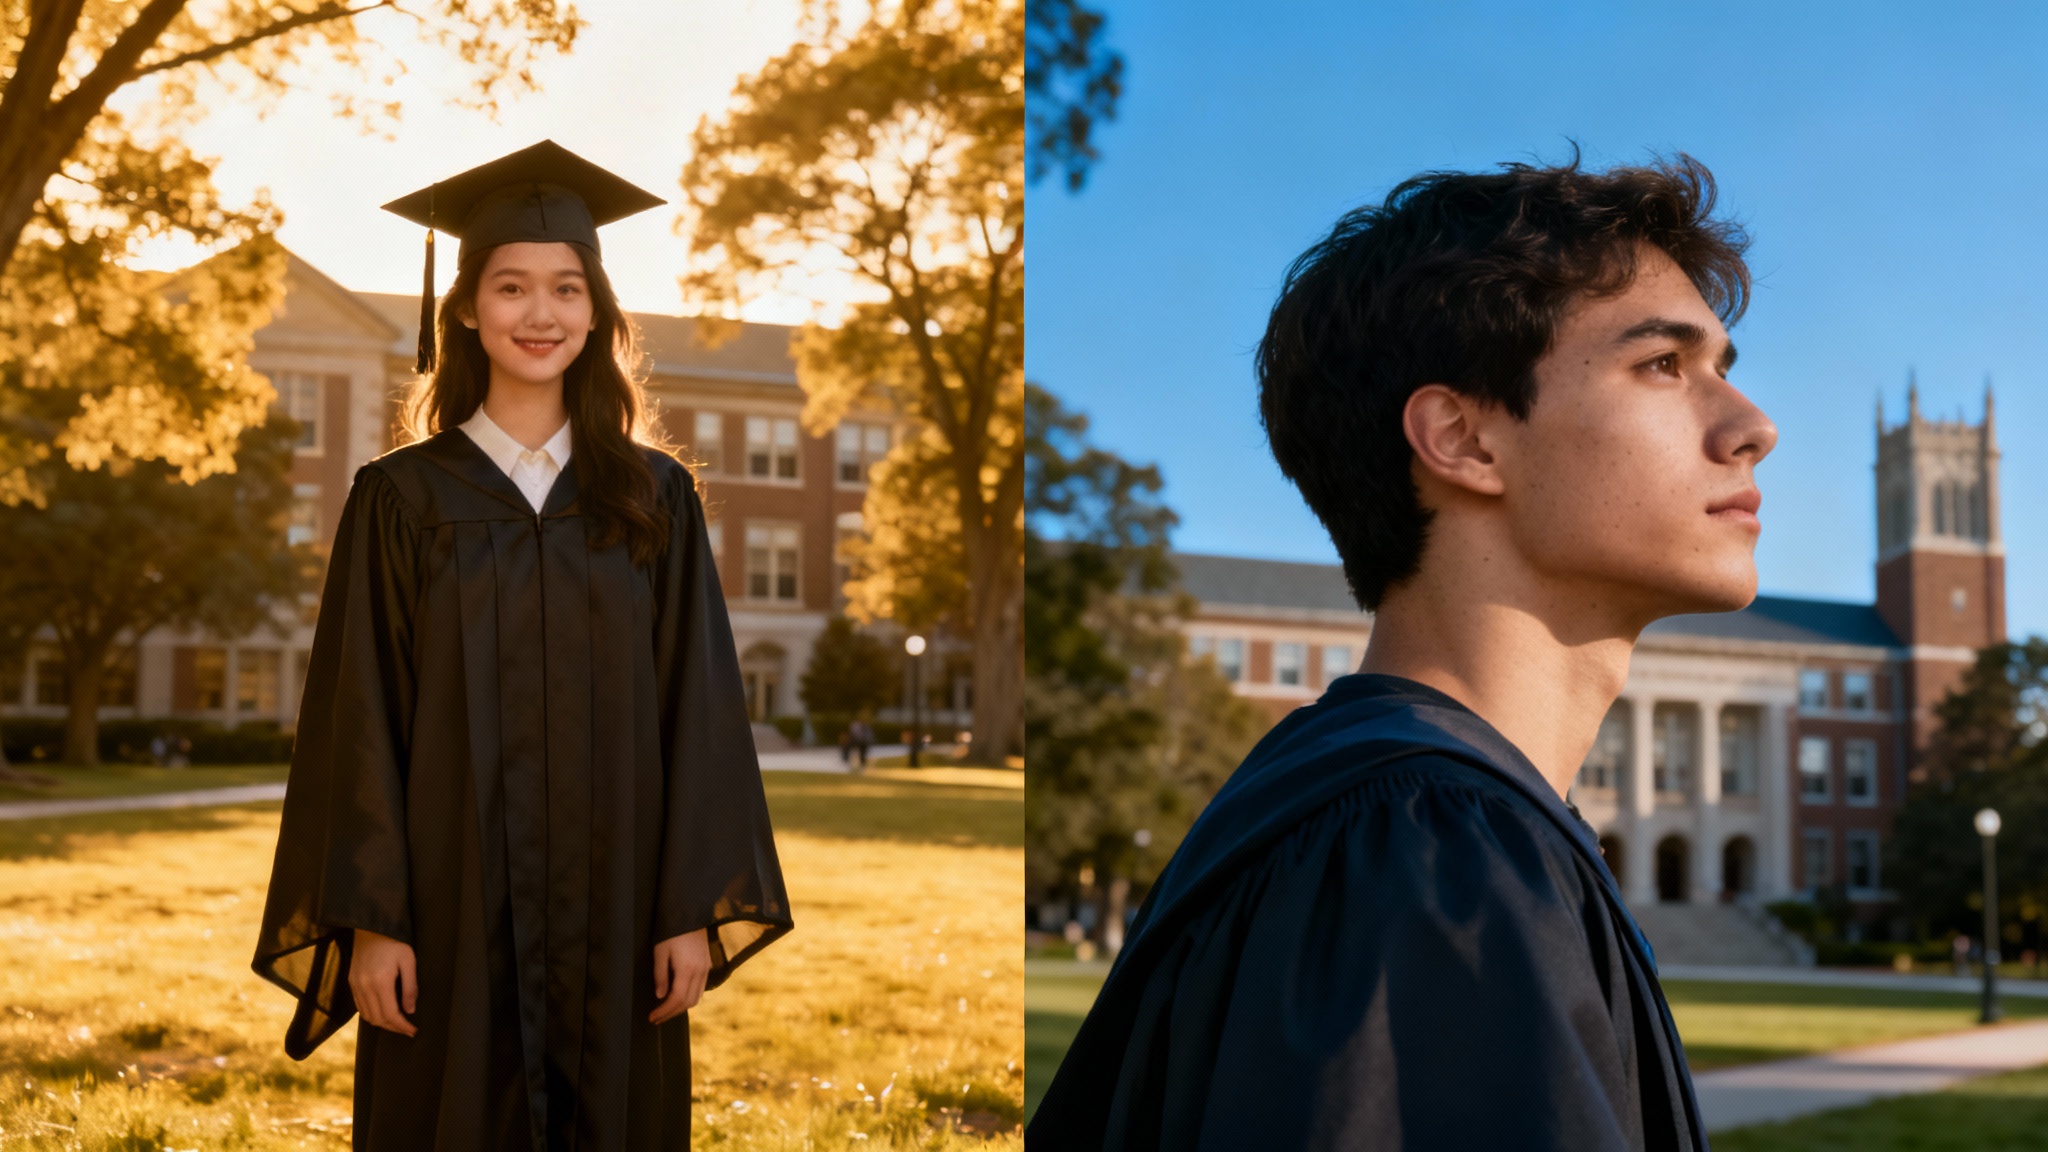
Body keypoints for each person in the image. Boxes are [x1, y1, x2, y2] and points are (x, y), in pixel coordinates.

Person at [1030, 155, 1773, 1151]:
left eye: (1721, 368)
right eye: (1662, 365)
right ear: (1462, 440)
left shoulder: (1390, 814)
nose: (1750, 426)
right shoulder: (1431, 854)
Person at [252, 141, 793, 1149]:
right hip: (447, 904)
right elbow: (358, 717)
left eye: (564, 287)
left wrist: (686, 907)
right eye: (510, 287)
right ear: (464, 307)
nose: (538, 314)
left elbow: (701, 707)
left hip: (622, 902)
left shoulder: (651, 497)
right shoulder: (402, 500)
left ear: (597, 312)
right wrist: (375, 919)